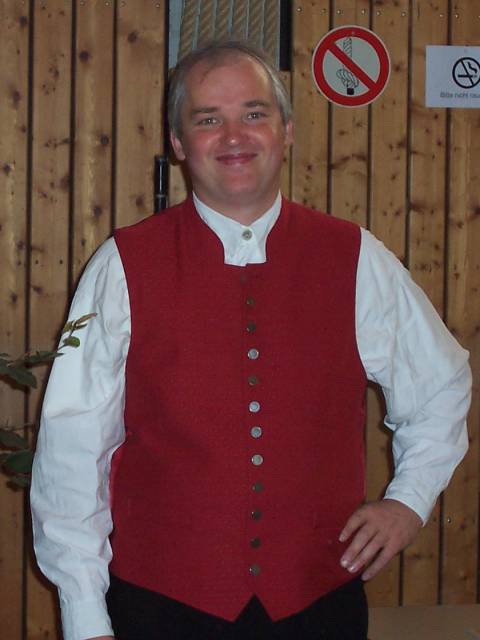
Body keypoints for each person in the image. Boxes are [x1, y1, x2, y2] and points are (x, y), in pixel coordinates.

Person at [31, 41, 471, 640]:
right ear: (179, 142)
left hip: (318, 605)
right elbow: (73, 447)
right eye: (208, 119)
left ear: (286, 130)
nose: (234, 136)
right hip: (161, 607)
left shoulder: (355, 258)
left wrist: (408, 502)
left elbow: (442, 384)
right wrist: (86, 616)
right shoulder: (123, 265)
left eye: (254, 114)